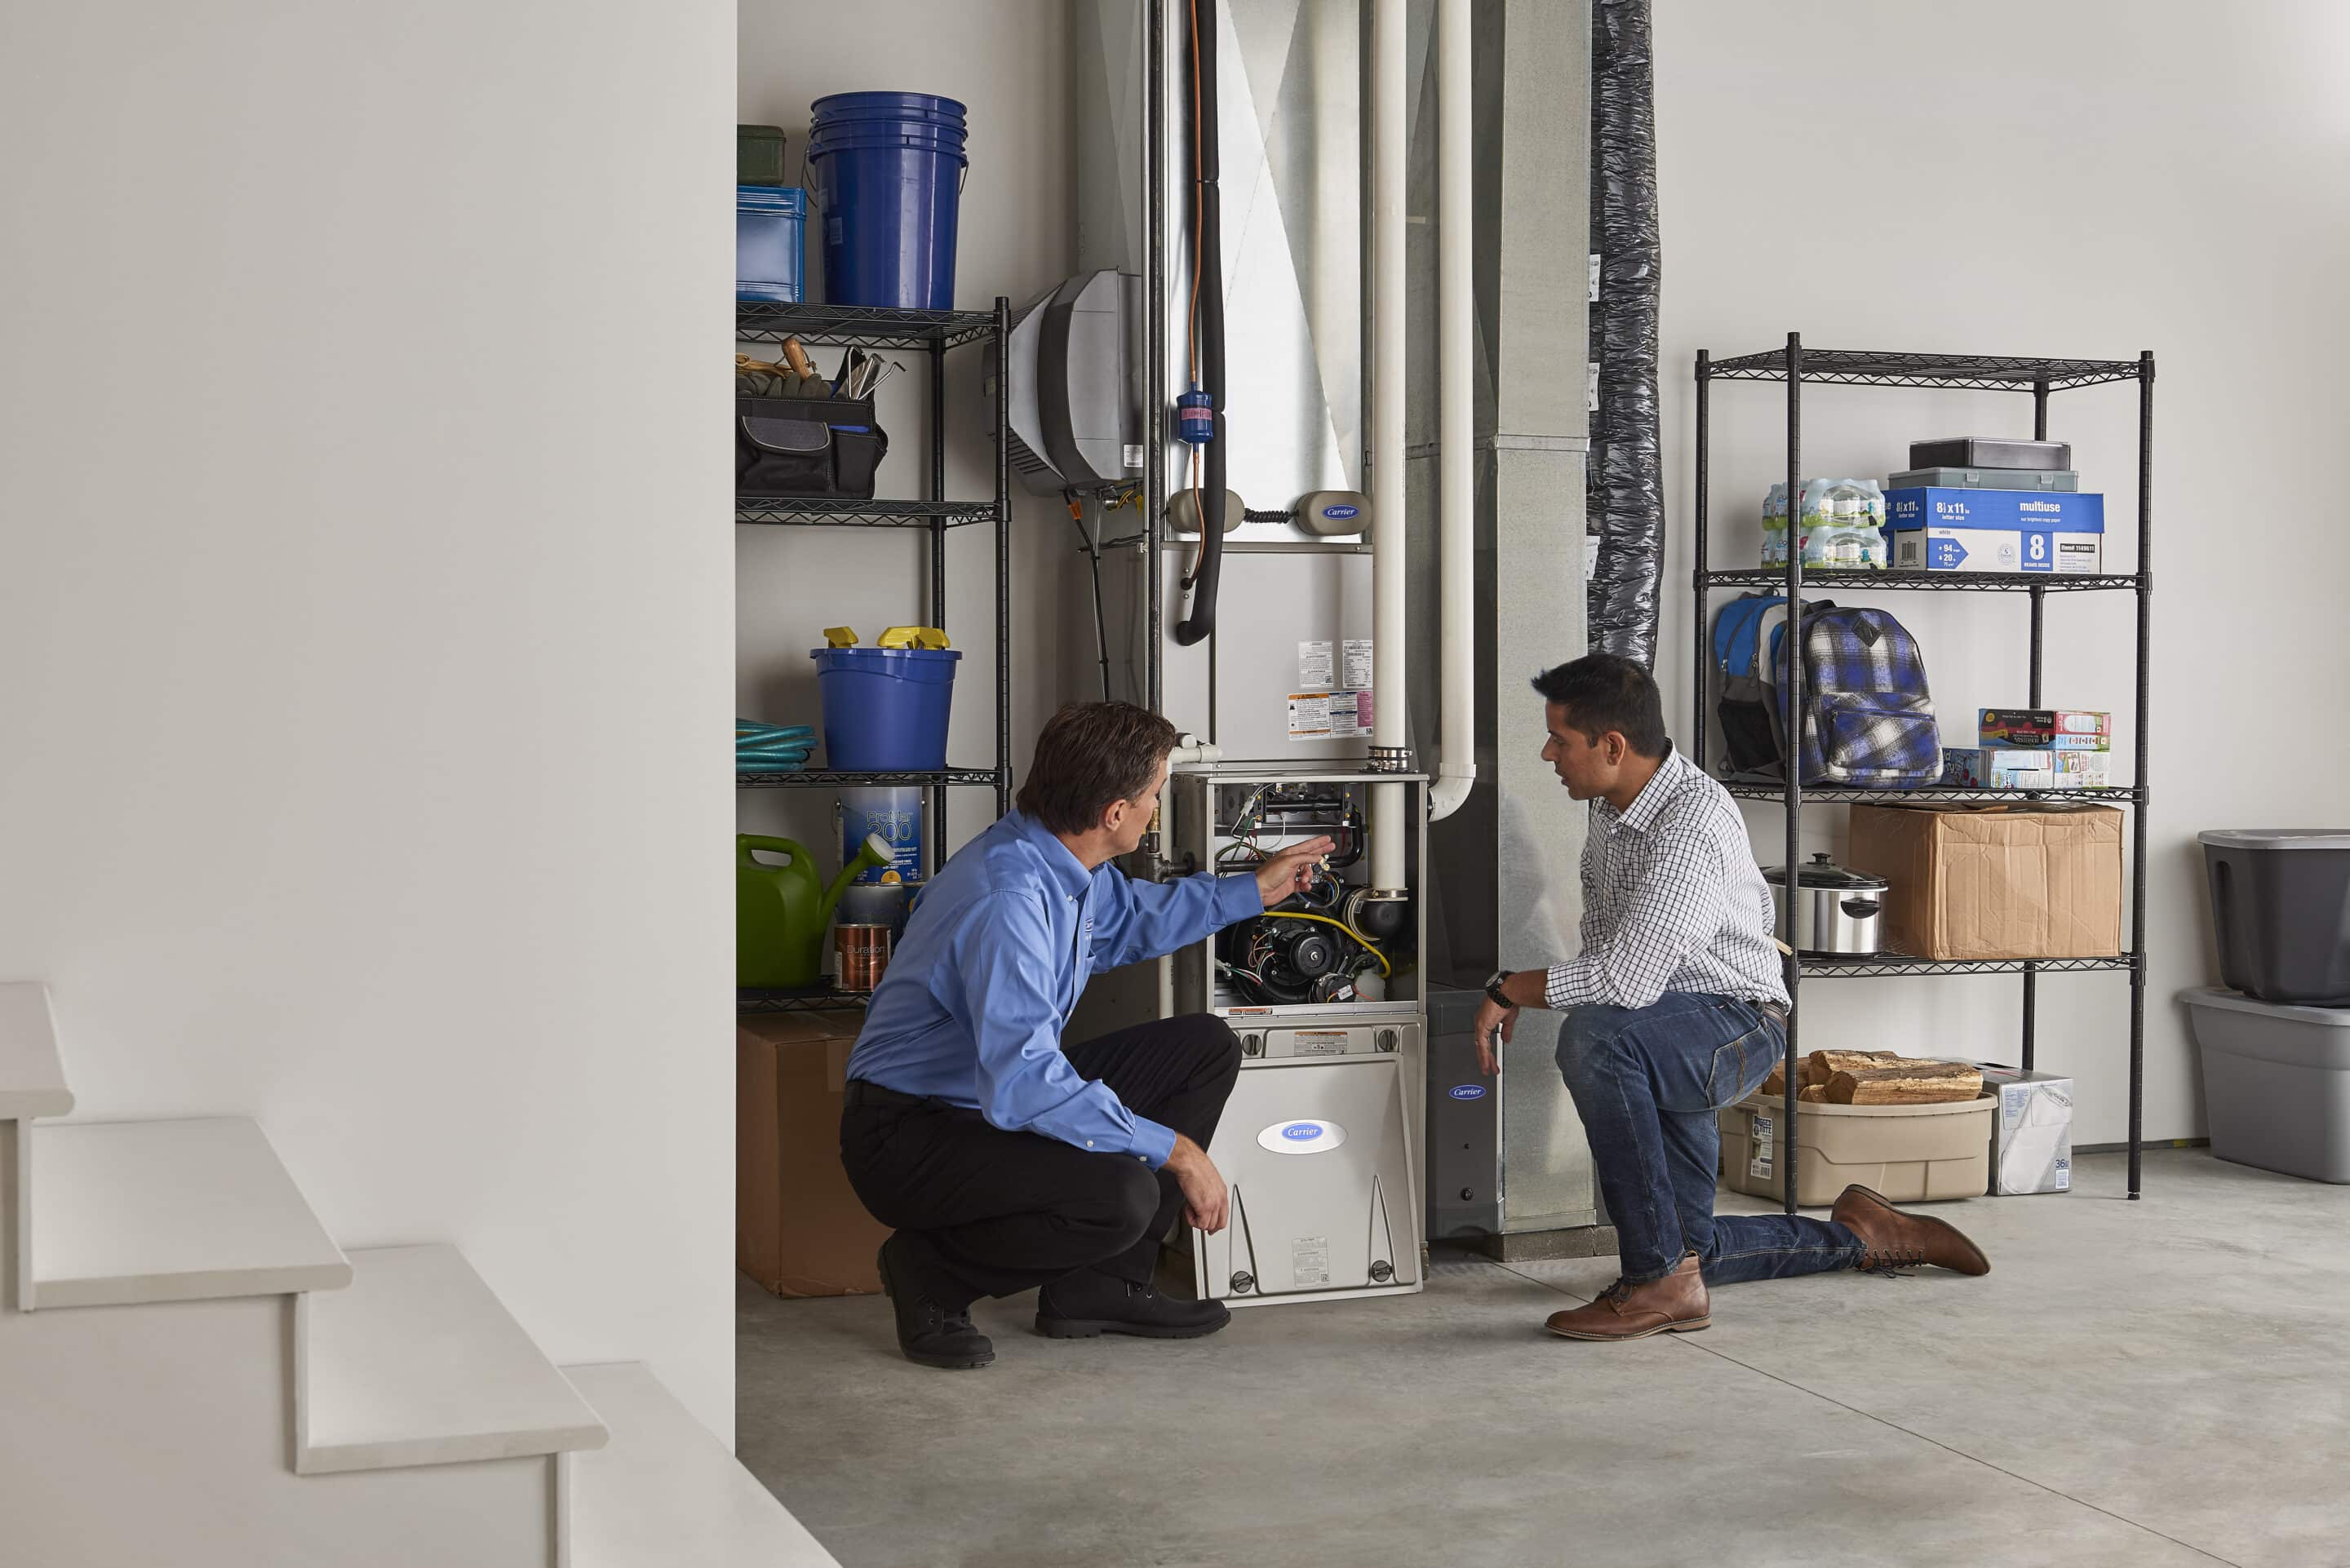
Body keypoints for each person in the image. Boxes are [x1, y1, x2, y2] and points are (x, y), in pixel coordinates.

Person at [1471, 653, 1990, 1341]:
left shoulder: (1691, 825)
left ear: (1613, 746)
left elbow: (1625, 981)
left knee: (1594, 1039)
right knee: (1696, 1249)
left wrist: (1510, 987)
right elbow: (1616, 960)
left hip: (1733, 1024)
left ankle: (1657, 1282)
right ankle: (1865, 1234)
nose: (1548, 753)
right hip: (1662, 1028)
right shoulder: (1610, 805)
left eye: (1560, 740)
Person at [840, 702, 1331, 1369]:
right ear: (1116, 814)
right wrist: (1177, 1152)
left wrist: (1252, 891)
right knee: (1119, 1196)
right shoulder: (1007, 902)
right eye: (1156, 793)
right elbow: (1024, 1085)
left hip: (978, 1100)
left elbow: (1132, 919)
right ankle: (929, 1272)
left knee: (1201, 1048)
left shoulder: (1059, 862)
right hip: (910, 1136)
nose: (1158, 807)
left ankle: (1101, 1287)